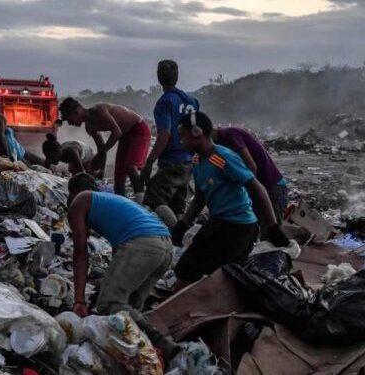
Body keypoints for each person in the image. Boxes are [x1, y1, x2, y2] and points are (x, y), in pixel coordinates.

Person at [67, 172, 178, 360]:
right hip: (166, 248)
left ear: (72, 193)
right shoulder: (110, 199)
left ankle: (165, 345)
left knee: (110, 303)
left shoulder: (80, 200)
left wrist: (79, 301)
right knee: (129, 309)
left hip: (143, 244)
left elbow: (80, 254)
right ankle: (143, 356)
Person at [171, 112, 290, 286]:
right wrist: (183, 224)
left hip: (238, 226)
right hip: (220, 222)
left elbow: (259, 189)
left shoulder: (222, 157)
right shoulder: (197, 160)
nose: (181, 141)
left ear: (197, 132)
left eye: (183, 136)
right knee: (200, 271)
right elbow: (199, 197)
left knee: (188, 270)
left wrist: (273, 227)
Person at [59, 98, 151, 197]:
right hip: (124, 137)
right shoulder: (89, 127)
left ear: (76, 112)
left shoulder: (98, 110)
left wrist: (100, 154)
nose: (69, 123)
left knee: (131, 168)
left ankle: (141, 201)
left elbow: (117, 132)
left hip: (138, 129)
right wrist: (100, 172)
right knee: (119, 180)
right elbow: (101, 148)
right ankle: (121, 206)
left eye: (68, 119)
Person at [141, 60, 199, 216]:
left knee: (154, 199)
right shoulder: (192, 102)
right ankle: (178, 237)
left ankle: (175, 232)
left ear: (159, 77)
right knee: (178, 207)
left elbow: (164, 134)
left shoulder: (165, 102)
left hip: (172, 161)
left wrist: (149, 162)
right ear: (177, 76)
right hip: (188, 161)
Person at [213, 126, 288, 239]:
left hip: (271, 186)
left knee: (271, 235)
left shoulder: (230, 134)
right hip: (258, 189)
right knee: (257, 232)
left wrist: (244, 192)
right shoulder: (219, 145)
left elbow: (251, 166)